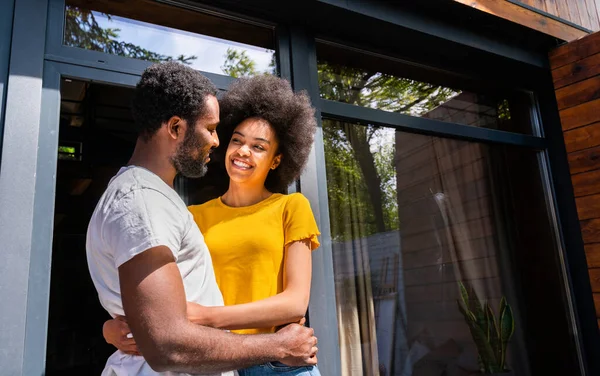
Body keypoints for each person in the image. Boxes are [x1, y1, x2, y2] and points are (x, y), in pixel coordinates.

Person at [86, 62, 318, 376]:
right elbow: (160, 317)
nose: (227, 145)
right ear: (176, 128)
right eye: (231, 137)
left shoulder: (290, 206)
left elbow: (293, 302)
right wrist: (115, 327)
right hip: (224, 353)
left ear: (277, 159)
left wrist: (198, 317)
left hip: (269, 361)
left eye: (259, 147)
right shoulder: (184, 213)